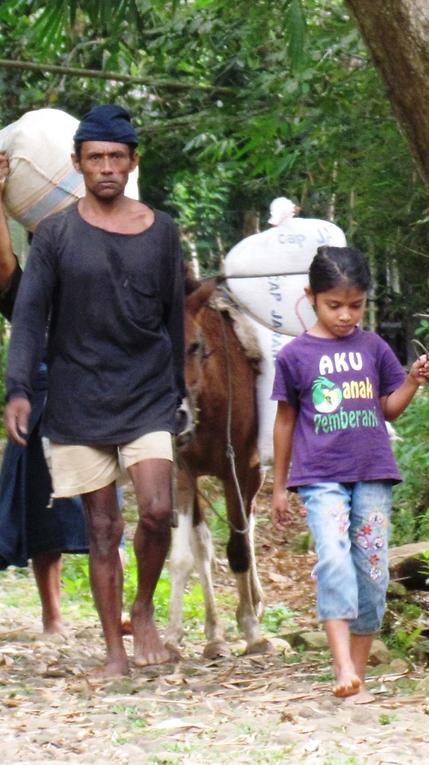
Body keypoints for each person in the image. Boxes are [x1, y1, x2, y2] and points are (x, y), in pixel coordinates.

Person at [4, 105, 185, 677]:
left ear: (132, 163)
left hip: (147, 392)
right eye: (95, 157)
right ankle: (114, 651)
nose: (106, 167)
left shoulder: (162, 231)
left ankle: (144, 609)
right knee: (103, 528)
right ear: (78, 164)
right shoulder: (55, 235)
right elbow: (30, 317)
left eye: (116, 156)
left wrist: (179, 391)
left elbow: (173, 320)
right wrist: (18, 389)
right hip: (78, 397)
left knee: (157, 511)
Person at [271, 245, 429, 702]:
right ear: (311, 298)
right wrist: (279, 486)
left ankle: (356, 678)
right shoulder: (295, 356)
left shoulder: (373, 347)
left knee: (372, 570)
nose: (346, 315)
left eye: (356, 305)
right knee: (332, 558)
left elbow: (389, 410)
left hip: (372, 473)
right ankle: (341, 664)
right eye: (334, 305)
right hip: (320, 475)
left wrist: (412, 382)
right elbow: (285, 421)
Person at [0, 151, 90, 637]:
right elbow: (2, 263)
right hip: (41, 398)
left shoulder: (99, 273)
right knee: (43, 507)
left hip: (97, 395)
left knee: (105, 512)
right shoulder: (28, 290)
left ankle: (117, 612)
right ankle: (53, 615)